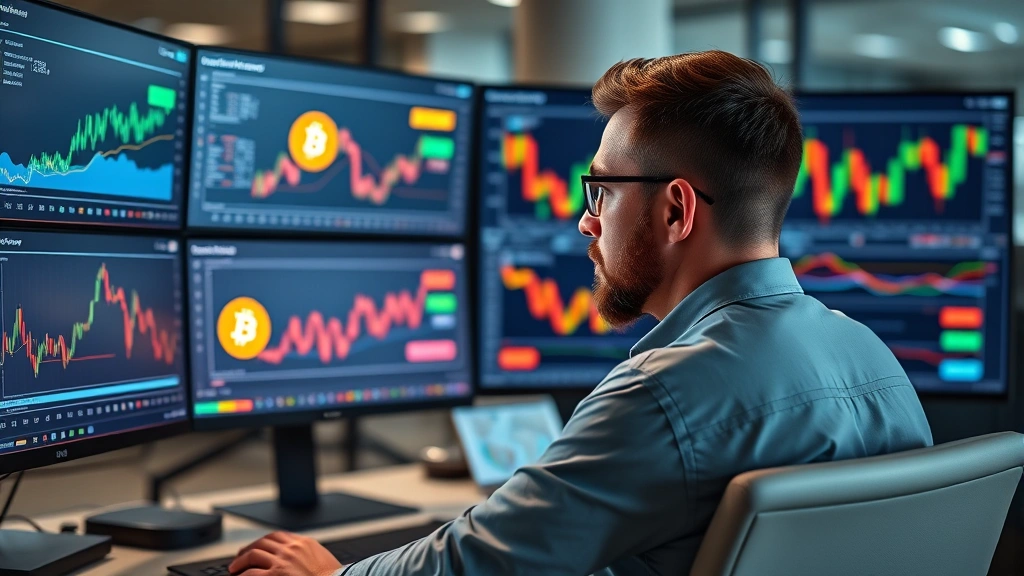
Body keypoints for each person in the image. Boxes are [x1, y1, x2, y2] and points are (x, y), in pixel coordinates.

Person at [229, 50, 933, 576]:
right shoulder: (875, 361)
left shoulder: (666, 395)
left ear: (676, 209)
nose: (584, 224)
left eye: (600, 192)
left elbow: (477, 565)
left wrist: (334, 574)